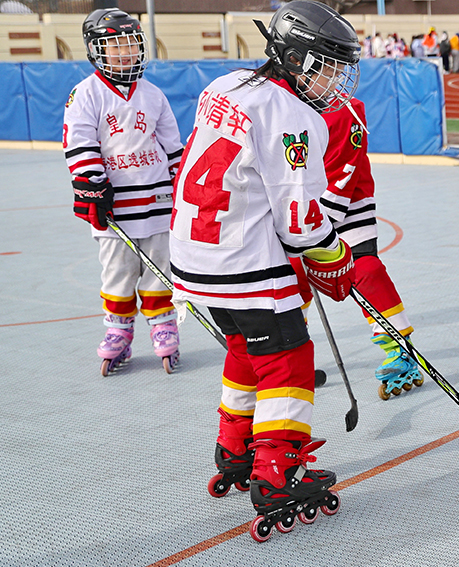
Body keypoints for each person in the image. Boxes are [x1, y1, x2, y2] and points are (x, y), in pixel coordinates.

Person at [169, 1, 359, 540]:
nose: (334, 80)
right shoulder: (295, 117)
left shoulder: (226, 85)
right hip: (242, 262)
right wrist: (334, 257)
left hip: (192, 260)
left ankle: (234, 448)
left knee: (245, 349)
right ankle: (278, 469)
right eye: (328, 66)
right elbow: (299, 222)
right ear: (296, 57)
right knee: (289, 360)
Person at [64, 8, 183, 377]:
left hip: (158, 199)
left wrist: (181, 185)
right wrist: (92, 187)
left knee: (160, 268)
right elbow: (80, 142)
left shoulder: (153, 94)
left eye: (131, 43)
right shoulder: (85, 94)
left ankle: (163, 323)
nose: (125, 52)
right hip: (115, 204)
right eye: (115, 45)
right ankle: (119, 330)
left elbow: (172, 145)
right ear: (96, 50)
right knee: (118, 270)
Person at [290, 97, 423, 401]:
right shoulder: (282, 102)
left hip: (349, 206)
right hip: (300, 210)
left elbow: (341, 176)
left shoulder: (345, 109)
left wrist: (315, 229)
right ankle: (289, 351)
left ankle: (399, 347)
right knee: (291, 276)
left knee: (364, 269)